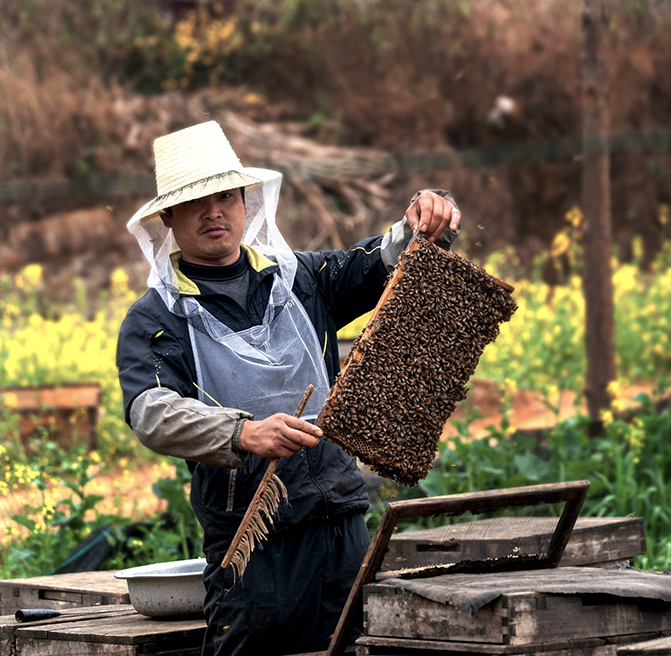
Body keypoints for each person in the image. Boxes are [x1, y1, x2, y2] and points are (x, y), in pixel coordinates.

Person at [116, 120, 461, 655]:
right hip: (252, 545)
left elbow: (380, 262)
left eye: (226, 195)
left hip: (341, 524)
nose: (215, 212)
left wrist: (424, 215)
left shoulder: (300, 278)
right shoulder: (156, 318)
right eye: (196, 202)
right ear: (167, 217)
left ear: (245, 201)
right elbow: (152, 412)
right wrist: (243, 433)